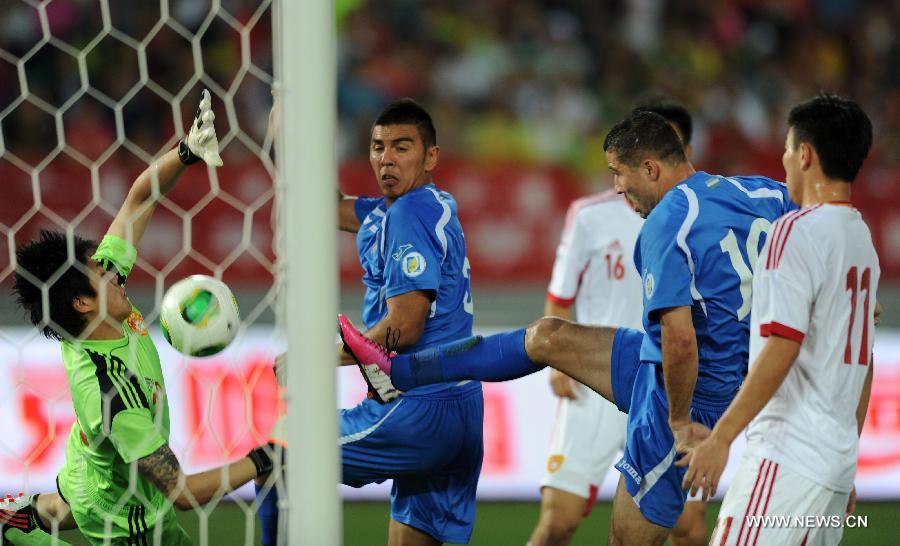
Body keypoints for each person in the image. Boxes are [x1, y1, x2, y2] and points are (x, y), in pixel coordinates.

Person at [340, 109, 797, 546]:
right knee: (547, 336)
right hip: (652, 363)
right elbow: (810, 215)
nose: (617, 188)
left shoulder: (665, 223)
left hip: (689, 393)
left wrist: (679, 423)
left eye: (620, 173)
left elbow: (679, 340)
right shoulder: (758, 192)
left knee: (626, 539)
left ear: (652, 169)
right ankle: (398, 373)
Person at [2, 90, 281, 546]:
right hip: (126, 520)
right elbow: (182, 493)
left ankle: (19, 518)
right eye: (100, 273)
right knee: (103, 506)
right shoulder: (116, 397)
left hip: (87, 464)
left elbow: (138, 199)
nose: (114, 272)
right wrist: (266, 459)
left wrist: (186, 152)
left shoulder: (101, 305)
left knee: (70, 499)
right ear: (82, 304)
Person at [258, 98, 483, 546]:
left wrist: (316, 360)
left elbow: (406, 326)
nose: (387, 158)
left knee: (279, 462)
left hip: (419, 406)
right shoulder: (416, 206)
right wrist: (289, 136)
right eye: (378, 147)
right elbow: (324, 205)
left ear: (431, 157)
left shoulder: (407, 214)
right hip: (462, 407)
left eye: (402, 147)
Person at [679, 95, 877, 545]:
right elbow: (862, 362)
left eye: (788, 148)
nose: (784, 159)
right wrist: (847, 464)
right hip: (832, 462)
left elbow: (781, 347)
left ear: (805, 154)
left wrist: (721, 438)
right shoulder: (861, 240)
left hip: (788, 454)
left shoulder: (794, 231)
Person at [529, 100, 706, 546]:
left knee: (686, 527)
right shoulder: (590, 215)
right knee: (558, 521)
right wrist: (558, 363)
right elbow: (560, 295)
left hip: (668, 387)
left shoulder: (704, 216)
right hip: (596, 379)